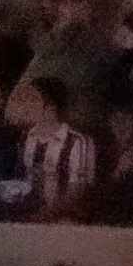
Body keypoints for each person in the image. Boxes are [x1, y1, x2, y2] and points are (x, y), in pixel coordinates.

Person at [13, 76, 95, 220]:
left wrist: (46, 215)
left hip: (61, 223)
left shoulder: (76, 142)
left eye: (33, 100)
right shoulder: (25, 138)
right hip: (26, 220)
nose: (26, 106)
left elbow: (77, 192)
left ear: (51, 108)